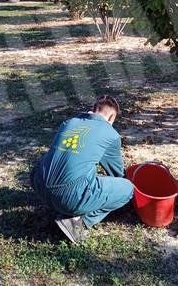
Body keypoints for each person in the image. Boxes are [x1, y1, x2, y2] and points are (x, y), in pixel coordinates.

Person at [30, 95, 134, 244]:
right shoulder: (110, 134)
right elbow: (117, 173)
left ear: (93, 109)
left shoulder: (69, 123)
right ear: (111, 117)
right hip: (68, 198)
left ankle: (58, 205)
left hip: (39, 185)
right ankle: (78, 223)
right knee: (128, 188)